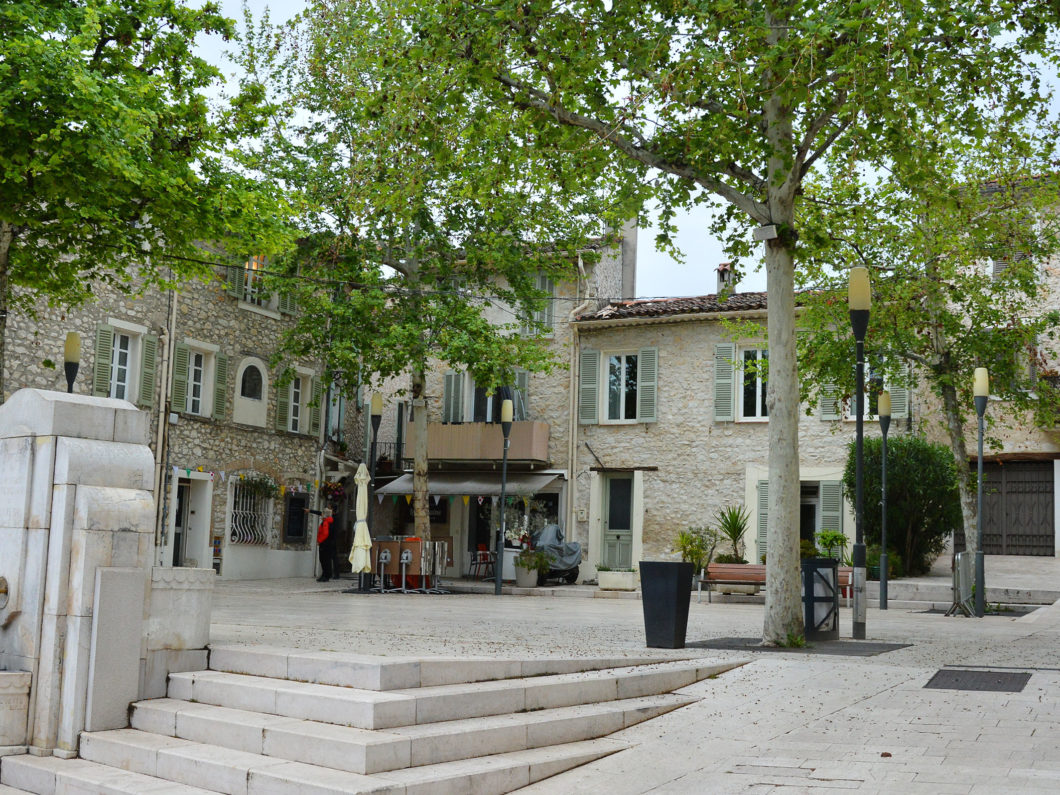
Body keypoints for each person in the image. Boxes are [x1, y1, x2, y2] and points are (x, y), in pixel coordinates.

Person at [307, 506, 335, 582]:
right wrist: (310, 510)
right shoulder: (329, 521)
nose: (321, 515)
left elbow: (325, 533)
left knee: (324, 560)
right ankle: (325, 575)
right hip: (328, 544)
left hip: (325, 544)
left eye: (322, 513)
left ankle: (326, 575)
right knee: (326, 560)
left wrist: (319, 541)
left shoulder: (325, 522)